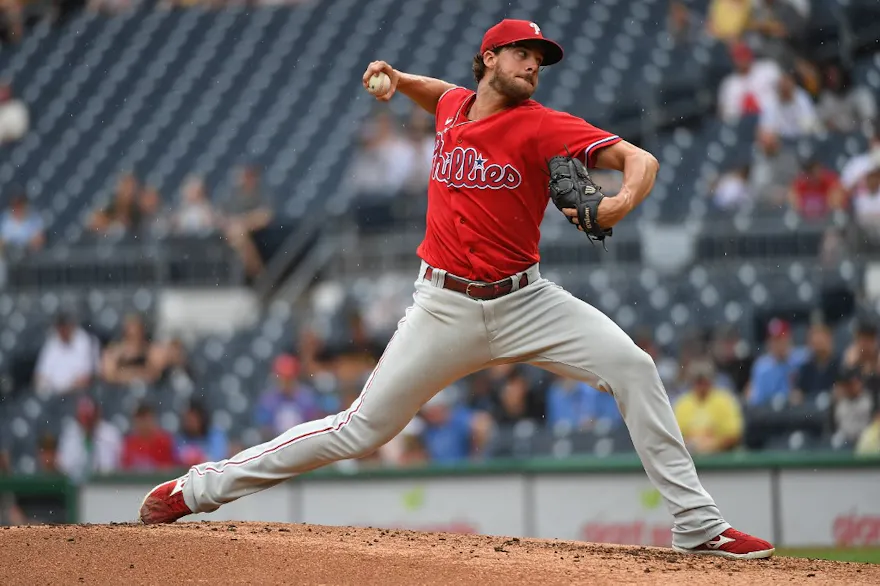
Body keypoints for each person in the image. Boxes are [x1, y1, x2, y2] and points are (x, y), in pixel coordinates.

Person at [140, 19, 774, 560]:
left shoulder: (541, 126)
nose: (534, 64)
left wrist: (618, 204)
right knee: (360, 430)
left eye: (541, 58)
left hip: (526, 301)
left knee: (634, 368)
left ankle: (697, 527)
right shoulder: (451, 109)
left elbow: (643, 160)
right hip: (443, 307)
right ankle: (197, 489)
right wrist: (398, 77)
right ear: (488, 59)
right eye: (523, 53)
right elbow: (441, 94)